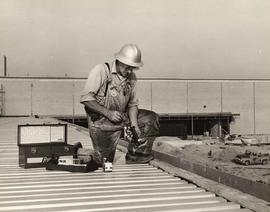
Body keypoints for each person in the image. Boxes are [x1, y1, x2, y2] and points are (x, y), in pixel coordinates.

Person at [80, 43, 159, 166]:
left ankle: (136, 156)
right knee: (103, 162)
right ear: (119, 61)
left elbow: (133, 104)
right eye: (128, 67)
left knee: (150, 118)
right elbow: (86, 99)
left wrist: (134, 126)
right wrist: (108, 113)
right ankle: (80, 151)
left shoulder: (131, 77)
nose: (130, 71)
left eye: (133, 68)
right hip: (102, 122)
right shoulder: (101, 71)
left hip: (121, 117)